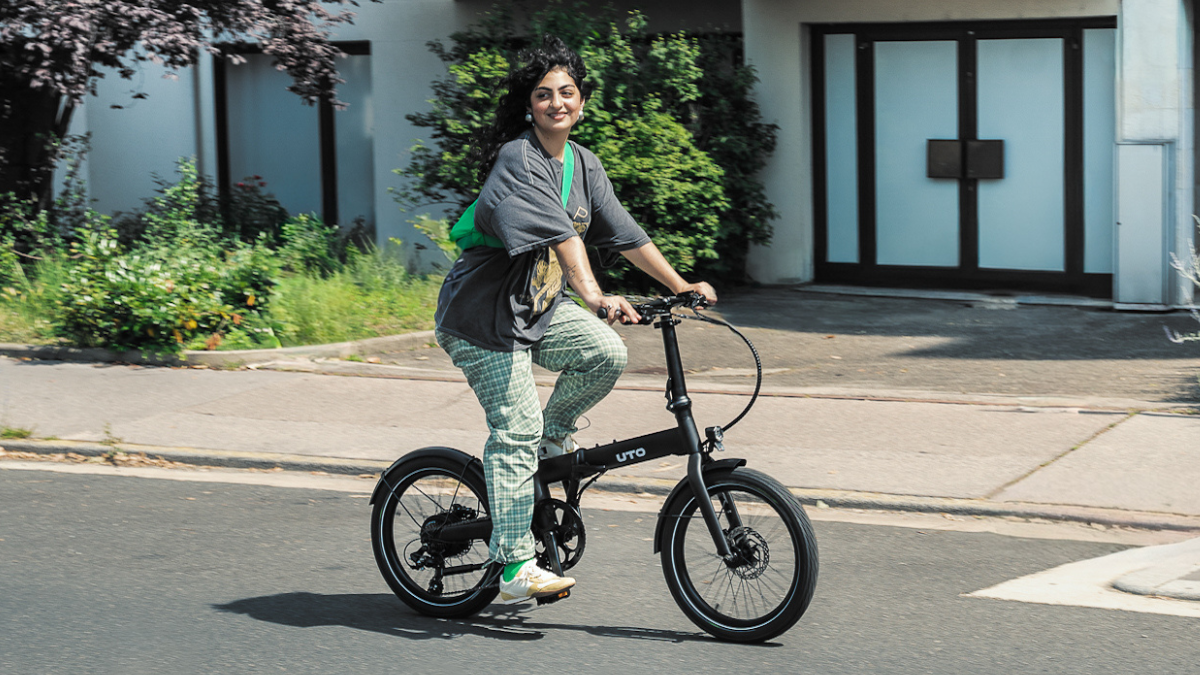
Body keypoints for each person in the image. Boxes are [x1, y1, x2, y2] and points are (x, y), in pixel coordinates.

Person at [433, 34, 717, 605]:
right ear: (529, 105)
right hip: (483, 320)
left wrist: (680, 286)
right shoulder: (519, 159)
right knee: (516, 426)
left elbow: (627, 234)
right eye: (543, 94)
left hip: (534, 310)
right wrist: (594, 294)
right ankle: (513, 563)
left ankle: (549, 443)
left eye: (566, 92)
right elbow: (563, 237)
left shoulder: (583, 164)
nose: (556, 102)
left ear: (582, 101)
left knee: (603, 353)